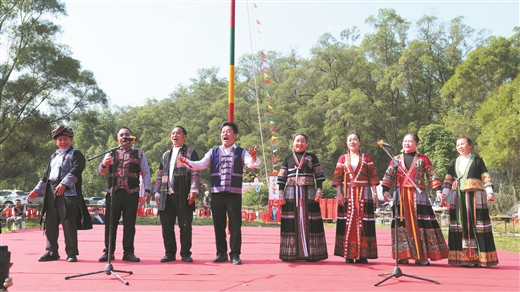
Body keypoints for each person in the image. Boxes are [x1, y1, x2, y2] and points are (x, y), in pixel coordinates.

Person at [178, 121, 260, 265]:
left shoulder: (241, 152)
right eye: (223, 132)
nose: (225, 134)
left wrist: (253, 157)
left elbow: (252, 163)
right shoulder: (213, 151)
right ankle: (221, 253)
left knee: (235, 225)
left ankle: (235, 254)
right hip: (216, 193)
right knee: (218, 224)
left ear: (235, 135)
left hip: (234, 193)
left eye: (228, 131)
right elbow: (201, 164)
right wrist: (186, 161)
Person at [381, 132, 448, 266]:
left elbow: (431, 175)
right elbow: (389, 175)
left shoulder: (423, 159)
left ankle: (421, 256)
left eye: (410, 141)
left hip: (418, 196)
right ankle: (403, 255)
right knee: (401, 224)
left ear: (416, 144)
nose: (407, 143)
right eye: (405, 141)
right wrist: (385, 190)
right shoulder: (396, 159)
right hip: (401, 195)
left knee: (421, 224)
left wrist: (438, 190)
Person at [27, 125, 92, 262]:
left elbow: (76, 169)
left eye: (65, 139)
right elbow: (46, 176)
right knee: (50, 222)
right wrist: (36, 190)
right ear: (56, 142)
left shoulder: (76, 154)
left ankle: (71, 253)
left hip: (67, 191)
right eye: (60, 140)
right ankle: (51, 252)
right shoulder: (54, 156)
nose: (63, 142)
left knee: (68, 222)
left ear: (71, 139)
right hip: (51, 190)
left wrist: (64, 183)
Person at [442, 136, 498, 267]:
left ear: (470, 145)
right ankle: (462, 258)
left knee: (478, 224)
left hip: (476, 196)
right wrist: (444, 196)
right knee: (460, 226)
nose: (460, 147)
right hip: (458, 197)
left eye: (463, 144)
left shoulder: (478, 161)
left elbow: (485, 177)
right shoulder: (453, 162)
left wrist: (489, 192)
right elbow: (448, 180)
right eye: (458, 145)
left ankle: (481, 258)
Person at [98, 127, 151, 262]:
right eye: (121, 135)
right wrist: (104, 164)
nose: (124, 137)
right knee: (110, 223)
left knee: (129, 224)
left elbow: (145, 172)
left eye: (127, 135)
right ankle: (108, 252)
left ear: (131, 137)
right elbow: (101, 171)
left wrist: (147, 190)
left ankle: (128, 252)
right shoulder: (111, 153)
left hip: (131, 193)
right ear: (118, 139)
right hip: (113, 193)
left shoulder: (139, 154)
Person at [277, 133, 328, 262]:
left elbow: (319, 174)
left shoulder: (312, 157)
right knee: (291, 220)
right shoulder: (287, 158)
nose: (299, 143)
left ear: (306, 143)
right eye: (297, 141)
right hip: (290, 193)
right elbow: (282, 177)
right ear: (293, 143)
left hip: (309, 192)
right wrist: (280, 193)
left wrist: (319, 190)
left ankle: (312, 253)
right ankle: (290, 253)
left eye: (302, 141)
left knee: (311, 219)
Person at [331, 132, 380, 264]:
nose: (352, 142)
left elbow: (373, 176)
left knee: (363, 222)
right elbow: (338, 177)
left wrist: (375, 194)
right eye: (350, 140)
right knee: (348, 221)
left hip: (364, 193)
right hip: (348, 194)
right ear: (347, 143)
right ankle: (348, 253)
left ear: (360, 142)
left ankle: (362, 254)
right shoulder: (342, 159)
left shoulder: (367, 158)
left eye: (355, 139)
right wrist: (339, 193)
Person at [154, 126, 200, 263]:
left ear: (184, 136)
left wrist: (194, 190)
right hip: (166, 195)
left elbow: (195, 172)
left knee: (185, 225)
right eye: (173, 133)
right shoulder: (166, 154)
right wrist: (156, 192)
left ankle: (185, 253)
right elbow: (160, 174)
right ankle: (169, 253)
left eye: (178, 133)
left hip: (183, 194)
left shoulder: (191, 152)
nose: (175, 135)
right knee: (166, 226)